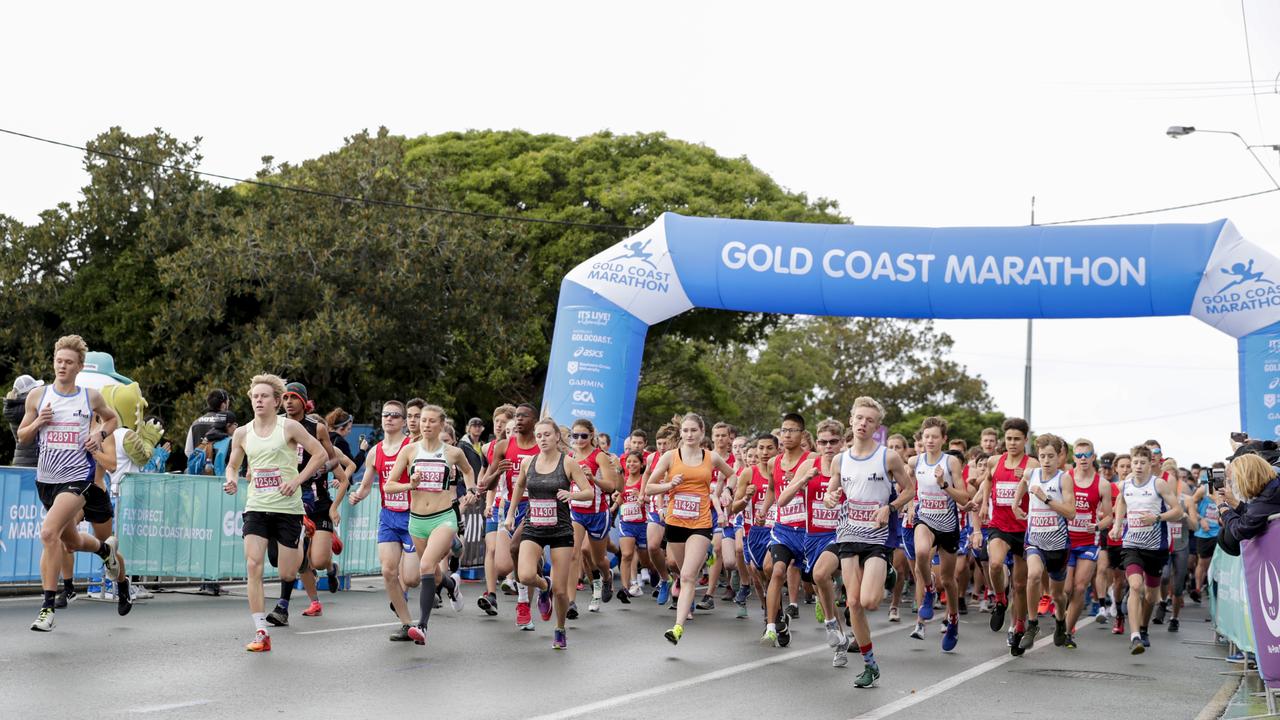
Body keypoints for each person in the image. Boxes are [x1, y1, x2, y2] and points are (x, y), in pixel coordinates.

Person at [16, 336, 126, 632]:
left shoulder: (90, 397)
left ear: (78, 367)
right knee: (72, 542)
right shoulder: (38, 397)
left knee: (48, 533)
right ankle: (104, 551)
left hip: (78, 480)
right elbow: (22, 436)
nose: (62, 366)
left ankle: (47, 607)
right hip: (46, 480)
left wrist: (100, 436)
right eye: (59, 361)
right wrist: (39, 423)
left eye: (68, 362)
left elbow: (112, 419)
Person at [222, 373, 328, 651]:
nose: (258, 400)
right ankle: (261, 631)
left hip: (288, 510)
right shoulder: (243, 432)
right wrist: (231, 478)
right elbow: (233, 464)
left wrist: (296, 480)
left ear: (276, 401)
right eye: (255, 396)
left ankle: (302, 546)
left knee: (286, 570)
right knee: (253, 565)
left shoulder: (289, 427)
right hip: (256, 506)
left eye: (264, 396)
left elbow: (319, 454)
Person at [821, 397, 915, 687]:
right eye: (859, 418)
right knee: (853, 603)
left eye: (870, 420)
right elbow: (829, 495)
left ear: (876, 426)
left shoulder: (888, 457)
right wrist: (830, 497)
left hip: (877, 535)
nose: (863, 423)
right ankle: (869, 665)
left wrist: (892, 506)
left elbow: (910, 490)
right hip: (849, 532)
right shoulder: (840, 459)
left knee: (870, 601)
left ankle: (889, 572)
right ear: (851, 420)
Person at [382, 404, 479, 647]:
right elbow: (388, 485)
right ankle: (451, 585)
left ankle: (422, 626)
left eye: (431, 421)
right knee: (434, 574)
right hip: (417, 521)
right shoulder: (409, 451)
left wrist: (471, 489)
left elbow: (468, 471)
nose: (425, 425)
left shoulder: (453, 453)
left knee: (425, 565)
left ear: (440, 425)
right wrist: (410, 485)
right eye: (423, 420)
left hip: (443, 518)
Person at [504, 417, 594, 649]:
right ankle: (544, 587)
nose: (542, 439)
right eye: (539, 435)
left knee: (563, 592)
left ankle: (560, 628)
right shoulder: (529, 462)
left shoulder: (568, 463)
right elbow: (520, 487)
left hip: (560, 530)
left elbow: (588, 493)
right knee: (524, 576)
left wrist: (572, 496)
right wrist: (511, 513)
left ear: (556, 437)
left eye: (547, 434)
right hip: (534, 526)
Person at [645, 413, 733, 645]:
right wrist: (669, 484)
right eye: (685, 431)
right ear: (680, 433)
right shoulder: (670, 457)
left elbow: (733, 475)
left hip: (701, 522)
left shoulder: (711, 457)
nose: (690, 435)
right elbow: (649, 488)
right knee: (676, 565)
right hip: (675, 522)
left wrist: (727, 491)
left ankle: (677, 627)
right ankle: (695, 572)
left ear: (702, 432)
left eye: (694, 430)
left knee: (687, 575)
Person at [349, 400, 420, 640]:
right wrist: (358, 495)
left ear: (403, 421)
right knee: (388, 571)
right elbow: (368, 485)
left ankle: (447, 549)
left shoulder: (413, 446)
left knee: (411, 578)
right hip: (389, 517)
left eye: (394, 415)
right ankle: (406, 623)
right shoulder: (375, 451)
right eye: (385, 415)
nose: (389, 419)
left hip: (413, 518)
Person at [280, 383, 348, 619]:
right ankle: (314, 602)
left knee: (317, 560)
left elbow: (335, 464)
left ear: (304, 402)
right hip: (291, 499)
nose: (288, 402)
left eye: (294, 397)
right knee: (300, 558)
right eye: (285, 397)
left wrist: (320, 469)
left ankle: (330, 568)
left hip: (318, 503)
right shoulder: (277, 425)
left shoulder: (316, 428)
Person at [1109, 444, 1183, 655]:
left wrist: (1157, 517)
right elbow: (1122, 503)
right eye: (1135, 462)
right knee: (1135, 586)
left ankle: (1143, 628)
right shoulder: (1125, 485)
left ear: (1151, 463)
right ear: (1130, 463)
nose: (1139, 466)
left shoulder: (1158, 484)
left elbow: (1177, 511)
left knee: (1151, 596)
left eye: (1143, 462)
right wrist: (1117, 525)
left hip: (1156, 547)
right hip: (1132, 544)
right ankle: (1135, 637)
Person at [908, 416, 969, 651]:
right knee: (921, 553)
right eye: (926, 436)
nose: (930, 440)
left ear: (944, 439)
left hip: (949, 526)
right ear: (922, 439)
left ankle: (953, 619)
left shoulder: (951, 462)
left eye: (935, 436)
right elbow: (905, 486)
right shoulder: (914, 461)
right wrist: (911, 504)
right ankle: (929, 591)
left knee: (949, 580)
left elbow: (964, 498)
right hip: (926, 520)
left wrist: (944, 484)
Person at [977, 418, 1037, 653]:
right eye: (1009, 439)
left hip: (1023, 529)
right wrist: (982, 504)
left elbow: (1045, 484)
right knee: (994, 564)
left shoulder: (1032, 463)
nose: (1012, 443)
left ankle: (1018, 628)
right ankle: (1000, 599)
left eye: (1017, 439)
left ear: (1025, 440)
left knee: (1020, 585)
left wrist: (1030, 477)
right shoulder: (994, 460)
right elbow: (988, 481)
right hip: (999, 524)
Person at [1011, 433, 1076, 652]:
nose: (1046, 460)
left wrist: (1046, 498)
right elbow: (1023, 483)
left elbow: (1071, 513)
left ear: (1059, 456)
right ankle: (1032, 624)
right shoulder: (1032, 473)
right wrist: (1016, 503)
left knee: (1058, 594)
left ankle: (1060, 621)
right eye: (1042, 456)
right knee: (1033, 575)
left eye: (1050, 456)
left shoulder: (1063, 478)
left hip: (1058, 544)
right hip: (1035, 539)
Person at [481, 403, 540, 630]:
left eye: (524, 416)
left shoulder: (541, 447)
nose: (519, 419)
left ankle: (524, 605)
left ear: (534, 421)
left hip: (535, 507)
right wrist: (498, 472)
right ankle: (544, 582)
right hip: (508, 508)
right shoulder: (504, 446)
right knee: (504, 566)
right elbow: (488, 483)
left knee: (523, 561)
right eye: (517, 416)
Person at [755, 412, 812, 647]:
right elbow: (771, 489)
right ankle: (773, 624)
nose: (787, 435)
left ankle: (834, 624)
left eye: (792, 431)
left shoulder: (811, 460)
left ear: (802, 434)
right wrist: (763, 509)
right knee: (773, 570)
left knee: (818, 579)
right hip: (783, 527)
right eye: (784, 430)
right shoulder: (774, 462)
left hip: (808, 530)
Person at [1061, 438, 1111, 648]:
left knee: (1080, 588)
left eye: (1086, 455)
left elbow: (1109, 516)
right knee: (1065, 591)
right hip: (1065, 541)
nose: (1083, 459)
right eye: (1079, 455)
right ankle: (1060, 622)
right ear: (1074, 457)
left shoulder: (1102, 484)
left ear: (1093, 456)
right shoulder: (1066, 478)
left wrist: (1098, 526)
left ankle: (1067, 632)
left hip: (1089, 542)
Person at [568, 419, 618, 614]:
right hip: (576, 512)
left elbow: (611, 486)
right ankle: (571, 602)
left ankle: (606, 577)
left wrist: (593, 478)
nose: (579, 440)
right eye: (575, 436)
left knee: (598, 559)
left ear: (591, 436)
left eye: (584, 436)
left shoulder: (600, 457)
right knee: (575, 553)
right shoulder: (570, 456)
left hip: (597, 513)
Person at [477, 404, 515, 615]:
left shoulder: (522, 450)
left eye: (505, 422)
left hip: (516, 505)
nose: (499, 426)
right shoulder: (487, 448)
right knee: (490, 548)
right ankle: (491, 594)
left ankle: (525, 575)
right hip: (498, 504)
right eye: (497, 421)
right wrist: (488, 503)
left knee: (513, 552)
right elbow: (487, 480)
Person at [1216, 451, 1280, 550]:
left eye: (1235, 479)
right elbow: (1255, 514)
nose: (1235, 484)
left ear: (1247, 477)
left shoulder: (1268, 498)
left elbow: (1240, 530)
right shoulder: (1273, 487)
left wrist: (1222, 508)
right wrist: (1236, 504)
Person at [616, 450, 650, 602]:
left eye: (635, 461)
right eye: (629, 462)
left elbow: (652, 500)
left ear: (642, 464)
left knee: (646, 559)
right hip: (627, 522)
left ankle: (658, 575)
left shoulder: (645, 480)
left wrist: (641, 497)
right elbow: (619, 497)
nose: (631, 464)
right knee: (627, 554)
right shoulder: (623, 480)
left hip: (643, 524)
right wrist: (614, 504)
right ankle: (625, 588)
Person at [185, 388, 236, 462]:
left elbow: (188, 451)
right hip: (220, 470)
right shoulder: (227, 422)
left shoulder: (195, 423)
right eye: (228, 402)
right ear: (223, 405)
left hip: (198, 471)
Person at [5, 374, 43, 467]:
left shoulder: (11, 407)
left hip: (19, 461)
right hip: (34, 461)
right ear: (30, 392)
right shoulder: (28, 408)